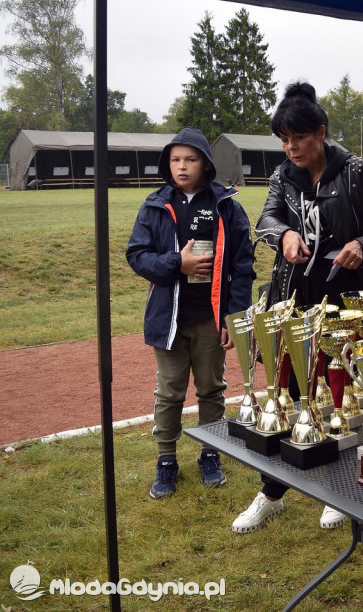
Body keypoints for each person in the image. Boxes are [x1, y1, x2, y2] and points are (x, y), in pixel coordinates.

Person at [236, 82, 363, 534]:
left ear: (320, 132)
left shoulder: (355, 171)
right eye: (283, 140)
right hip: (290, 302)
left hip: (343, 306)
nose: (290, 148)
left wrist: (360, 245)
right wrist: (284, 235)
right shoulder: (282, 176)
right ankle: (272, 492)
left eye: (299, 138)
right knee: (284, 395)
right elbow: (265, 219)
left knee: (339, 396)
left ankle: (340, 488)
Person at [126, 127, 256, 500]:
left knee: (211, 390)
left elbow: (243, 266)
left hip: (210, 320)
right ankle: (166, 461)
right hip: (167, 320)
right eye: (175, 159)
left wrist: (234, 315)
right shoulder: (154, 205)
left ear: (206, 164)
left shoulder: (226, 206)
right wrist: (177, 263)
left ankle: (210, 453)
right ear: (168, 164)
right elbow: (137, 256)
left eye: (191, 159)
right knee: (169, 393)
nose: (182, 166)